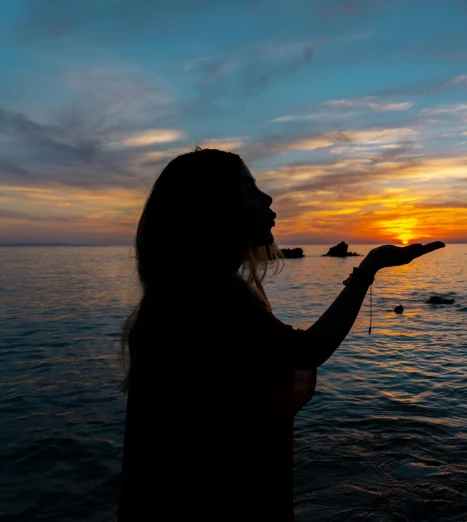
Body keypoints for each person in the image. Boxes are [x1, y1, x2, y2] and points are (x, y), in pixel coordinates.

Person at [117, 148, 444, 521]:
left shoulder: (177, 297)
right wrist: (368, 268)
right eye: (248, 188)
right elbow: (308, 349)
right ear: (214, 209)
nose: (268, 198)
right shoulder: (212, 297)